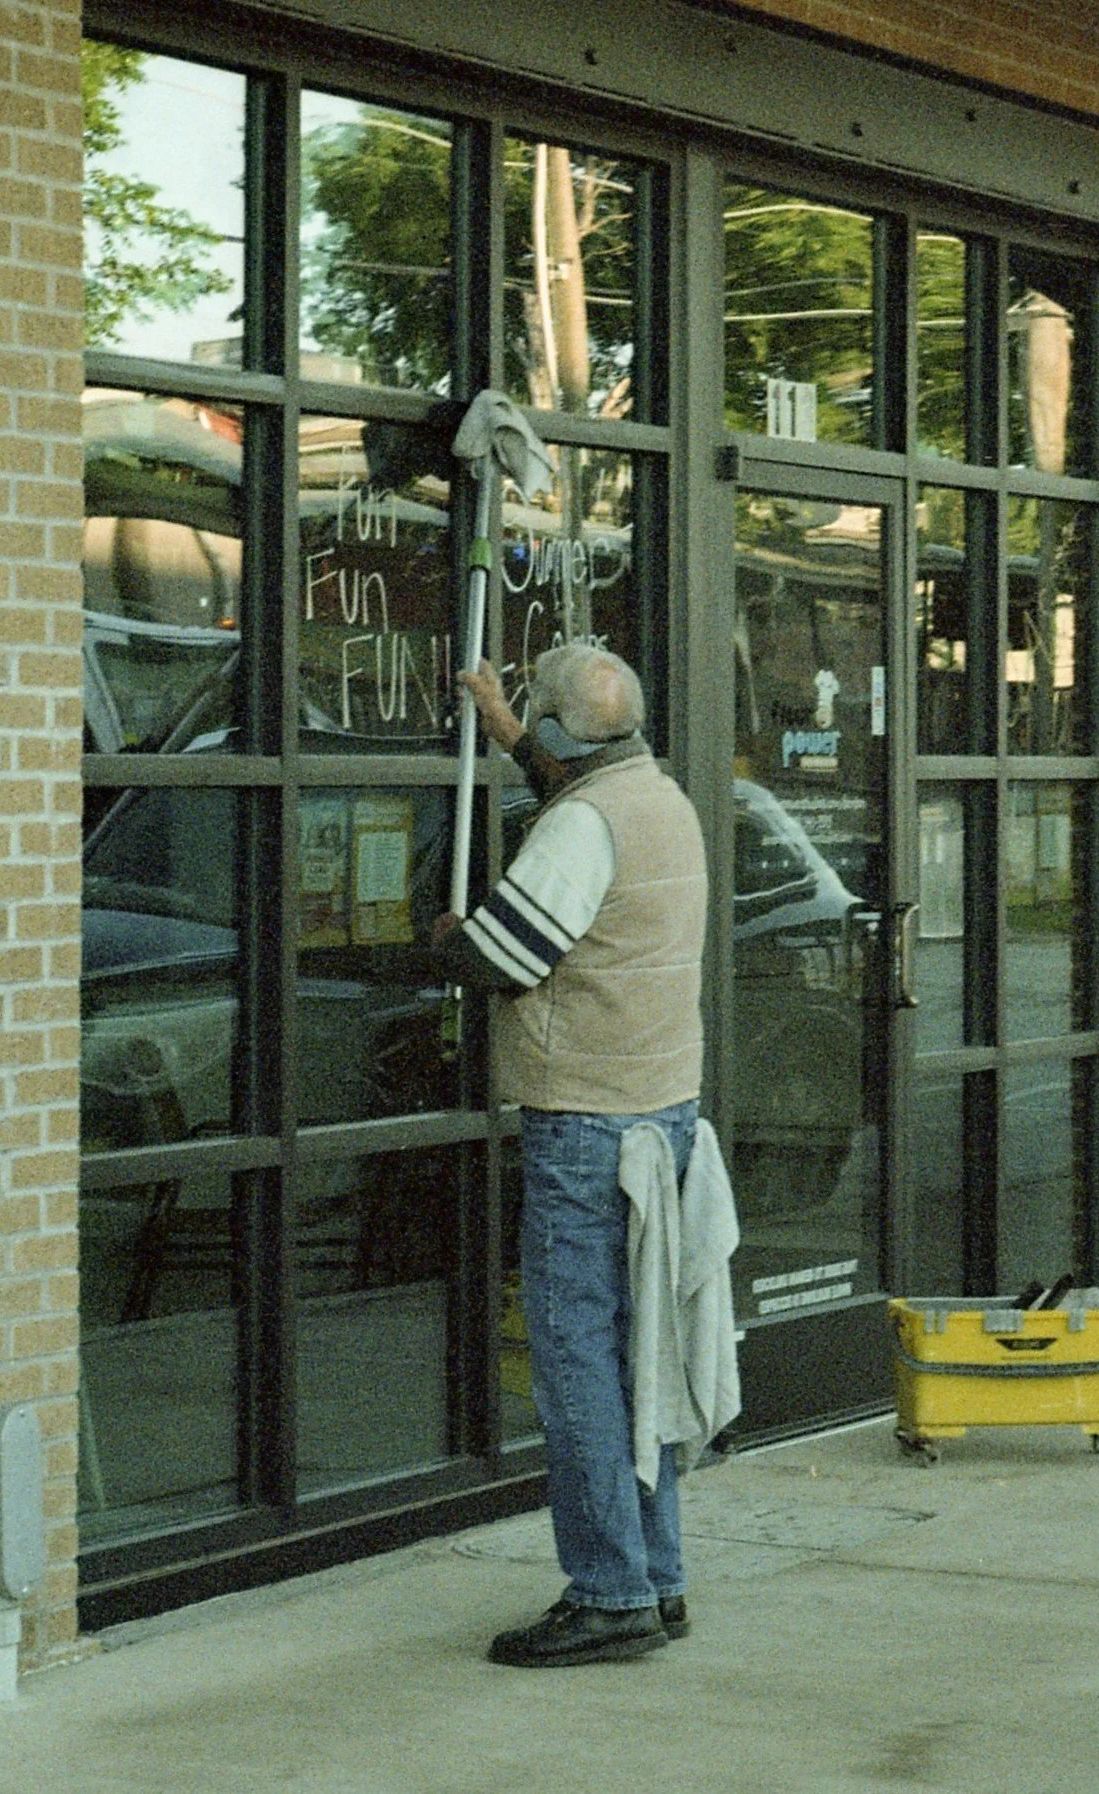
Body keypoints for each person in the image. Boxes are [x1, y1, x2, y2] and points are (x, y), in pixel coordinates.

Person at [433, 643, 710, 1668]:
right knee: (638, 1359)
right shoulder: (657, 797)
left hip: (583, 1124)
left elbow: (505, 954)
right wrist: (507, 730)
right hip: (658, 1116)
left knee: (576, 1362)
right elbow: (570, 783)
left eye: (534, 723)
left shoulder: (580, 825)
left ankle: (608, 1592)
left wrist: (446, 938)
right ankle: (656, 1575)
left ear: (559, 734)